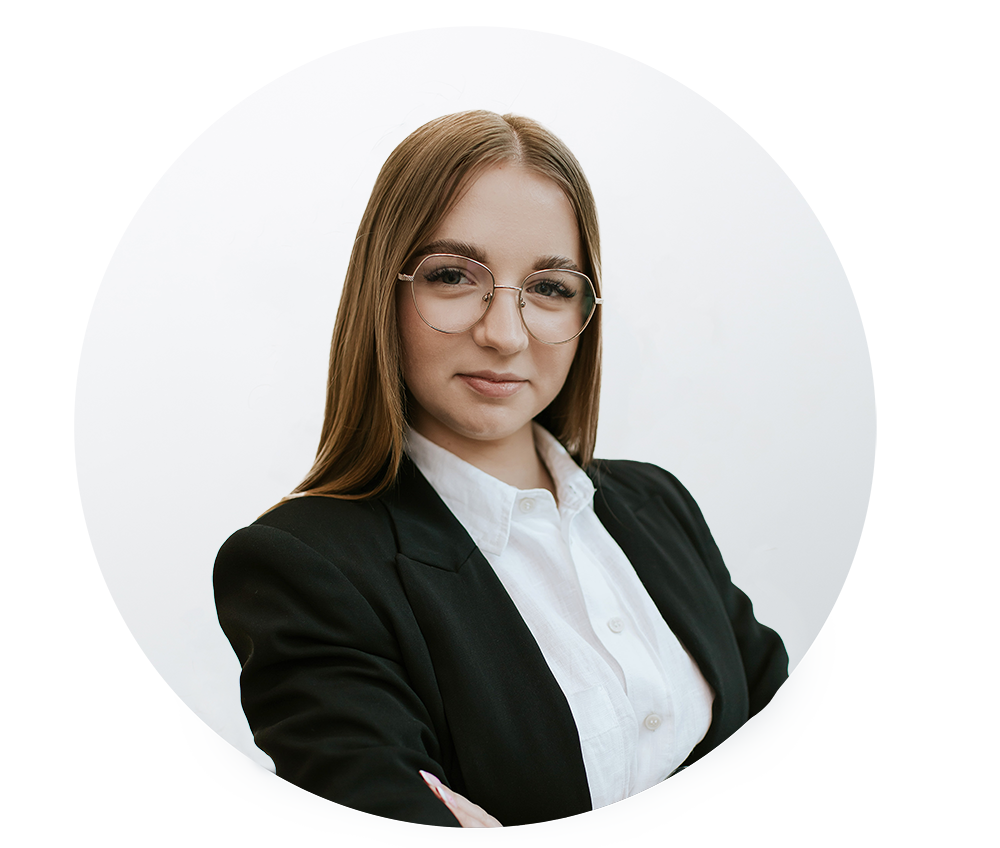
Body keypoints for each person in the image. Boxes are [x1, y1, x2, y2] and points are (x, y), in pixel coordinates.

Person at [214, 110, 824, 829]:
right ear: (385, 291)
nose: (504, 334)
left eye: (550, 287)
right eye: (452, 276)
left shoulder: (659, 505)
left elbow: (791, 779)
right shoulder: (303, 566)